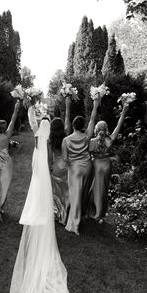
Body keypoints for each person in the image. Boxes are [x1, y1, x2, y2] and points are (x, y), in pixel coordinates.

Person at [9, 107, 72, 293]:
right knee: (46, 199)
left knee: (36, 196)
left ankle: (37, 212)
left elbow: (36, 159)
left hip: (37, 176)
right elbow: (48, 161)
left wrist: (29, 110)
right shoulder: (47, 141)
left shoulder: (37, 139)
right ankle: (47, 215)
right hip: (45, 176)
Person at [62, 97, 100, 235]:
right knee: (82, 193)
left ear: (73, 125)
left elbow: (65, 159)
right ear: (82, 126)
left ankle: (74, 224)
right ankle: (80, 215)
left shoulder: (66, 140)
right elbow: (92, 120)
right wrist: (95, 105)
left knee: (75, 196)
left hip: (76, 169)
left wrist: (72, 163)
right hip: (88, 167)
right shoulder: (87, 136)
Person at [88, 103, 129, 223]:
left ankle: (93, 211)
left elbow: (87, 154)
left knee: (94, 187)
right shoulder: (110, 140)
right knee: (104, 189)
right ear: (106, 129)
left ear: (96, 129)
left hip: (95, 164)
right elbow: (119, 125)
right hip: (106, 165)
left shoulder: (91, 141)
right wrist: (124, 112)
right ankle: (101, 214)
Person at [0, 101, 20, 224]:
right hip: (6, 164)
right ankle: (0, 209)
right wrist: (16, 108)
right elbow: (13, 119)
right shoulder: (7, 135)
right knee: (4, 188)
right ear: (4, 128)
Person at [48, 97, 71, 225]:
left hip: (55, 167)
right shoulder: (66, 134)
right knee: (66, 191)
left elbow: (49, 158)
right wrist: (67, 106)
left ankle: (57, 214)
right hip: (66, 166)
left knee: (56, 192)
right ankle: (66, 215)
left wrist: (49, 168)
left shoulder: (50, 140)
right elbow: (67, 119)